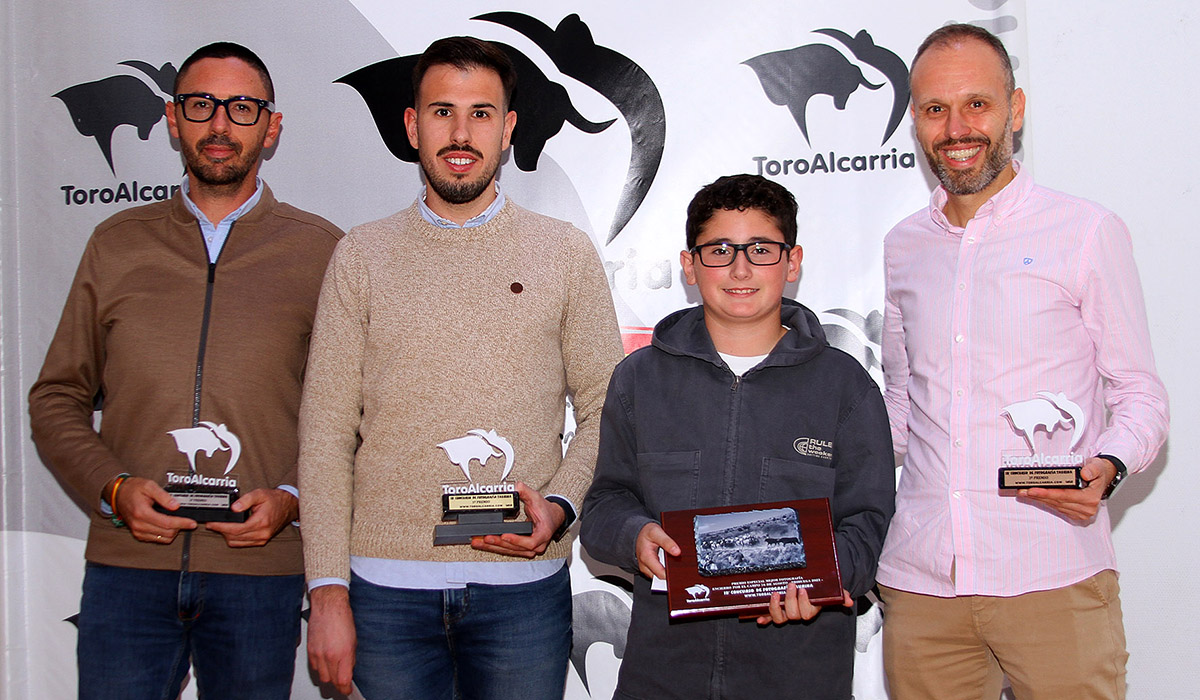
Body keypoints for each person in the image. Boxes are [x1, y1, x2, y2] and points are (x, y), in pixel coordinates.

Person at [299, 36, 623, 700]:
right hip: (384, 594)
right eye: (442, 111)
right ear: (411, 125)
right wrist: (327, 587)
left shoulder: (564, 252)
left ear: (508, 129)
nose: (460, 133)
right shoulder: (361, 256)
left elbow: (608, 408)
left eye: (481, 113)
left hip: (523, 594)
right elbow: (325, 432)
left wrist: (560, 506)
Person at [28, 42, 342, 699]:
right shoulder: (116, 242)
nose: (220, 124)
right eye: (201, 105)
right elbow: (56, 397)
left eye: (242, 107)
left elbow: (353, 413)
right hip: (128, 569)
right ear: (173, 119)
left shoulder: (322, 252)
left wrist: (292, 498)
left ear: (271, 127)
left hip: (259, 572)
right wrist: (113, 489)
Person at [877, 24, 1170, 700]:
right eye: (935, 108)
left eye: (977, 104)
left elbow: (1141, 394)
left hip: (1053, 572)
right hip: (924, 586)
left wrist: (1111, 464)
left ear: (1016, 109)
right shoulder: (903, 246)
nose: (957, 128)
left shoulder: (1085, 231)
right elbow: (901, 405)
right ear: (915, 119)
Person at [580, 174, 895, 700]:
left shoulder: (845, 386)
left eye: (761, 250)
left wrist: (824, 575)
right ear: (690, 265)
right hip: (664, 672)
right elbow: (604, 506)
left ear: (792, 262)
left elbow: (869, 522)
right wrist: (633, 534)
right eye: (720, 250)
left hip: (800, 673)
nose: (740, 269)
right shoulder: (639, 379)